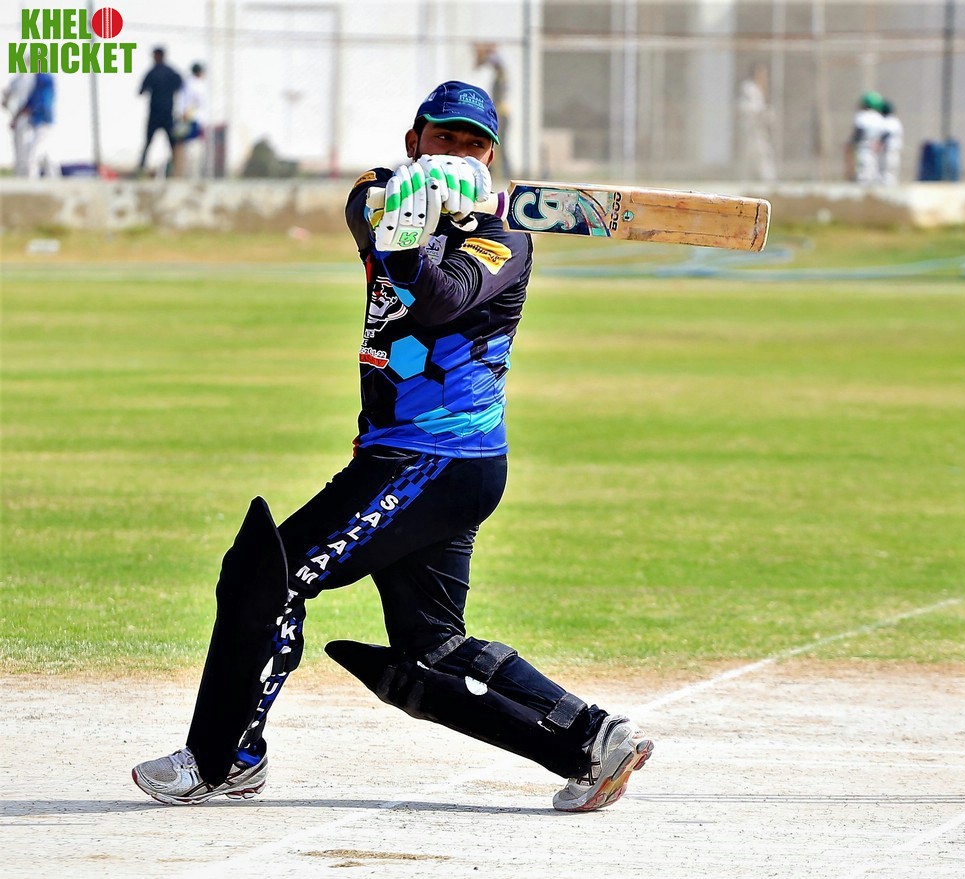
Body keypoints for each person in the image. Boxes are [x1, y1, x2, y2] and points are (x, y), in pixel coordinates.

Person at [131, 80, 653, 814]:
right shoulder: (381, 198)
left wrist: (436, 234)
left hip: (436, 459)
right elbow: (365, 205)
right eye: (443, 138)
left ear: (492, 156)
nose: (456, 152)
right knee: (430, 648)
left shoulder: (505, 239)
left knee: (266, 577)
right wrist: (411, 207)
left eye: (472, 144)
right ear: (415, 141)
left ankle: (225, 759)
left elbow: (439, 300)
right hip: (410, 457)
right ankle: (592, 742)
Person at [138, 47, 183, 176]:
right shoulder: (171, 73)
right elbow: (180, 86)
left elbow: (141, 91)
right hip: (166, 112)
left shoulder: (152, 73)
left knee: (151, 143)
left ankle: (143, 169)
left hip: (157, 113)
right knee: (170, 143)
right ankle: (175, 169)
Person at [10, 64, 57, 179]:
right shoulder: (36, 79)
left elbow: (38, 102)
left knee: (33, 154)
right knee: (45, 153)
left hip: (43, 120)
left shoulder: (44, 78)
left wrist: (21, 115)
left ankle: (31, 180)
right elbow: (30, 101)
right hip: (37, 121)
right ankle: (53, 177)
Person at [471, 43, 510, 179]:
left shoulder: (501, 76)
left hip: (501, 113)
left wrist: (487, 52)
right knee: (498, 143)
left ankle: (502, 171)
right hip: (501, 113)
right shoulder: (499, 77)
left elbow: (495, 63)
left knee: (499, 144)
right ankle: (499, 171)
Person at [736, 62, 777, 182]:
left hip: (759, 130)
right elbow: (748, 108)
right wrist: (762, 113)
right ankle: (750, 182)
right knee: (754, 156)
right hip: (750, 130)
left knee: (762, 154)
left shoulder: (761, 90)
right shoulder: (748, 88)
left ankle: (768, 181)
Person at [173, 62, 207, 178]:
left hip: (185, 118)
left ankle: (183, 173)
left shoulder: (186, 83)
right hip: (193, 119)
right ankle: (192, 174)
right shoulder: (198, 85)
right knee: (194, 148)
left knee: (184, 147)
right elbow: (199, 104)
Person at [845, 91, 887, 183]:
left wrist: (851, 144)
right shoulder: (879, 117)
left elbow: (858, 134)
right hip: (875, 150)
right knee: (873, 174)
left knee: (862, 175)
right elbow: (883, 136)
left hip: (863, 148)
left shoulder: (862, 117)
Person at [879, 99, 903, 185]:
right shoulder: (896, 121)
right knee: (892, 171)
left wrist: (879, 143)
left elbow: (886, 134)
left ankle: (887, 189)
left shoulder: (888, 121)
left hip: (889, 149)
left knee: (886, 172)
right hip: (894, 149)